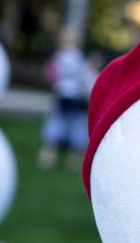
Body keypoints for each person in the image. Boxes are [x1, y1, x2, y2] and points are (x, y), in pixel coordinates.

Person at [38, 31, 97, 170]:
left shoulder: (58, 58)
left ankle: (50, 156)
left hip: (62, 94)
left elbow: (51, 75)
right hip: (74, 95)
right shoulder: (79, 59)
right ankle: (72, 157)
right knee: (75, 123)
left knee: (58, 122)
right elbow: (86, 77)